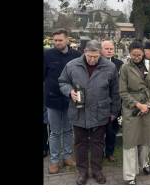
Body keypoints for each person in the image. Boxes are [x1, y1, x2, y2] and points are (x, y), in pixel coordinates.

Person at [59, 40, 120, 184]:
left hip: (101, 112)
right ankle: (82, 172)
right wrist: (69, 92)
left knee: (98, 143)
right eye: (89, 56)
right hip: (79, 112)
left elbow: (115, 92)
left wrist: (113, 112)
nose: (92, 59)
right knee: (80, 143)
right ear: (84, 52)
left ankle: (97, 170)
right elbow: (62, 82)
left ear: (100, 53)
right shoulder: (72, 65)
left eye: (95, 56)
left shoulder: (110, 67)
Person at [119, 41, 150, 184]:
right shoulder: (125, 68)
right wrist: (137, 105)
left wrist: (149, 104)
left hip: (149, 107)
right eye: (133, 54)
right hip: (132, 109)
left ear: (143, 53)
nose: (136, 57)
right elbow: (122, 91)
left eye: (139, 55)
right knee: (130, 141)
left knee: (147, 138)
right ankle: (130, 175)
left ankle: (144, 163)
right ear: (129, 53)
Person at [44, 29, 81, 174]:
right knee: (54, 132)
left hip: (70, 99)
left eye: (60, 40)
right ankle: (54, 161)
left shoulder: (76, 56)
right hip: (52, 99)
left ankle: (67, 156)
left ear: (67, 40)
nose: (57, 43)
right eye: (55, 40)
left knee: (68, 130)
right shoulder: (47, 55)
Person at [100, 40, 124, 162]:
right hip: (100, 102)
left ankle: (110, 152)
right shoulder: (96, 63)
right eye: (106, 48)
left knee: (112, 130)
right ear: (101, 50)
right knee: (99, 131)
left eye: (111, 49)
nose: (109, 51)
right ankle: (99, 152)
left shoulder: (119, 64)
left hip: (115, 102)